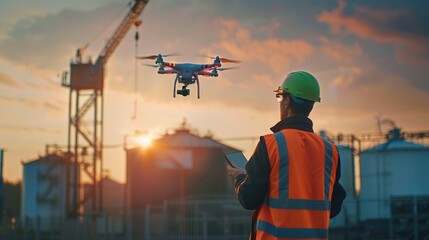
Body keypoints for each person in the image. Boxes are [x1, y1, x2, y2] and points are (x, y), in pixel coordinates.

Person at [227, 71, 346, 240]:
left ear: (287, 101)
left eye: (280, 97)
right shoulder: (330, 151)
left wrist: (240, 178)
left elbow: (249, 199)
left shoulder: (270, 145)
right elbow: (334, 205)